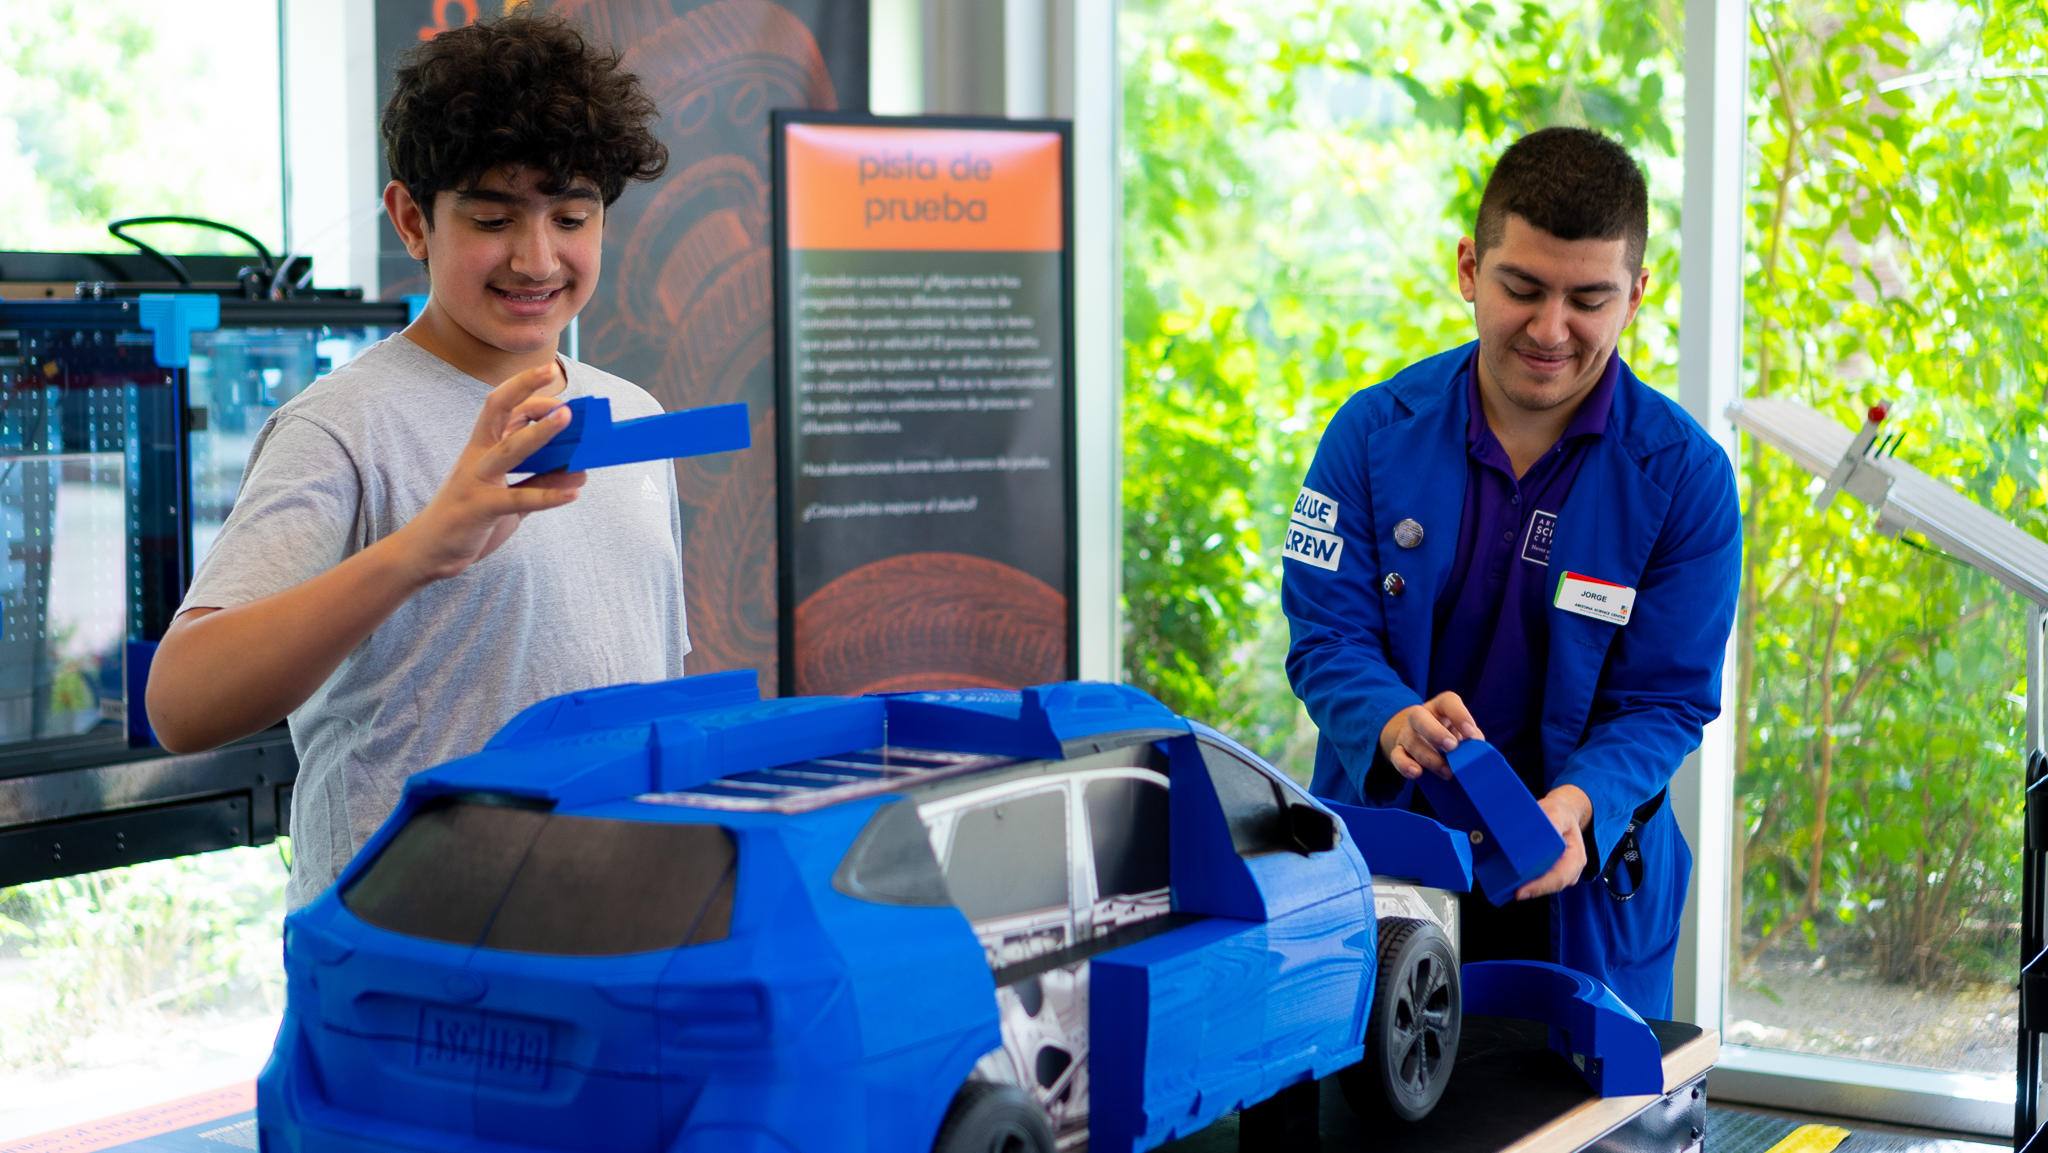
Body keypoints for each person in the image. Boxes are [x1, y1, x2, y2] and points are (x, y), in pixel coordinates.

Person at [145, 13, 682, 910]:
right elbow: (183, 701)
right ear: (412, 220)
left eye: (573, 216)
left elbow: (634, 680)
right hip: (407, 956)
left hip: (607, 927)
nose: (537, 257)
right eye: (492, 216)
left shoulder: (632, 415)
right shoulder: (342, 425)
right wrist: (424, 545)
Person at [1282, 127, 1740, 1018]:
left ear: (1637, 296)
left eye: (1589, 299)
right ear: (1468, 268)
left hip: (1580, 875)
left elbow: (1666, 699)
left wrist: (1580, 804)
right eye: (1522, 288)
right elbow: (1327, 633)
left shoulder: (1684, 477)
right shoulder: (1368, 436)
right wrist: (1390, 718)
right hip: (1391, 863)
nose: (1549, 329)